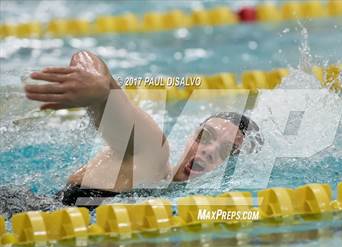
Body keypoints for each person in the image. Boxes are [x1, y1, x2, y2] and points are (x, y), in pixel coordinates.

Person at [22, 51, 263, 208]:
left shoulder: (171, 199)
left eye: (225, 151)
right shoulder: (153, 156)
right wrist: (98, 85)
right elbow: (112, 99)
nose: (209, 150)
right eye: (205, 137)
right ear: (191, 134)